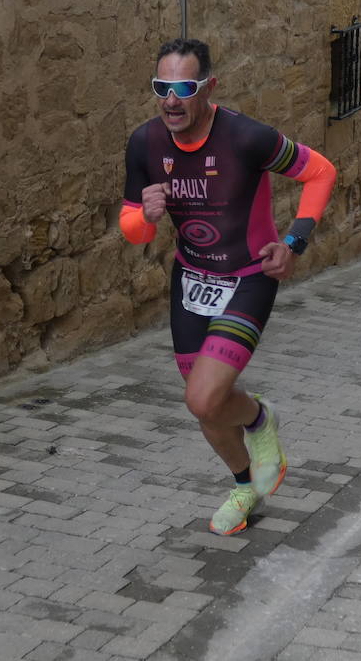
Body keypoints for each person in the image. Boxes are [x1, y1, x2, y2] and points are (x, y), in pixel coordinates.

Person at [120, 39, 337, 534]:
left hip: (247, 278)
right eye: (161, 87)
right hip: (191, 282)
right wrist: (146, 217)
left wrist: (294, 242)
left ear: (208, 87)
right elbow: (133, 228)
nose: (171, 100)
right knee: (208, 402)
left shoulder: (245, 138)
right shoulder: (145, 143)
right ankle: (244, 485)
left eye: (183, 88)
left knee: (202, 398)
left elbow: (321, 172)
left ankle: (260, 419)